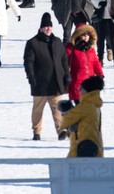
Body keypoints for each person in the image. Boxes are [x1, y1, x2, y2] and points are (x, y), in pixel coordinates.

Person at [24, 13, 70, 141]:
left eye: (49, 26)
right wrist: (31, 77)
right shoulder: (33, 43)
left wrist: (67, 75)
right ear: (40, 28)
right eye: (45, 27)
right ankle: (37, 132)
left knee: (58, 109)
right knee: (38, 110)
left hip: (56, 83)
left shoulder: (57, 42)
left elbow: (64, 60)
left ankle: (61, 131)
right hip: (40, 83)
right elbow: (28, 62)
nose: (47, 29)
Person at [61, 76, 105, 157]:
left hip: (82, 147)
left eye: (81, 88)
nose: (79, 90)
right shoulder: (95, 104)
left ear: (87, 91)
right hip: (94, 147)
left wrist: (66, 111)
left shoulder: (85, 105)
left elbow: (65, 122)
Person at [66, 20, 103, 106]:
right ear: (78, 35)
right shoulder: (70, 48)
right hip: (77, 85)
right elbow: (64, 64)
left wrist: (100, 74)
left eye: (87, 34)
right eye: (83, 34)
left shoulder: (91, 49)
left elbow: (96, 63)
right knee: (81, 111)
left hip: (90, 85)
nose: (86, 36)